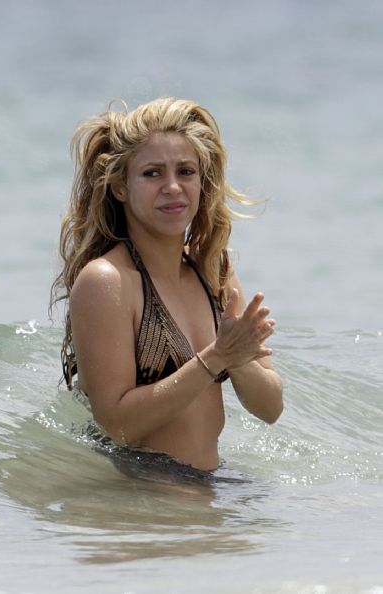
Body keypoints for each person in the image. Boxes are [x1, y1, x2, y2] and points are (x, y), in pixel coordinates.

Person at [50, 97, 283, 475]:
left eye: (186, 171)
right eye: (152, 174)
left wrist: (238, 360)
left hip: (210, 483)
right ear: (121, 187)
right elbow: (118, 426)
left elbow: (271, 407)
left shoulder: (212, 268)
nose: (173, 187)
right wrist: (217, 358)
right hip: (141, 492)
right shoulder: (106, 282)